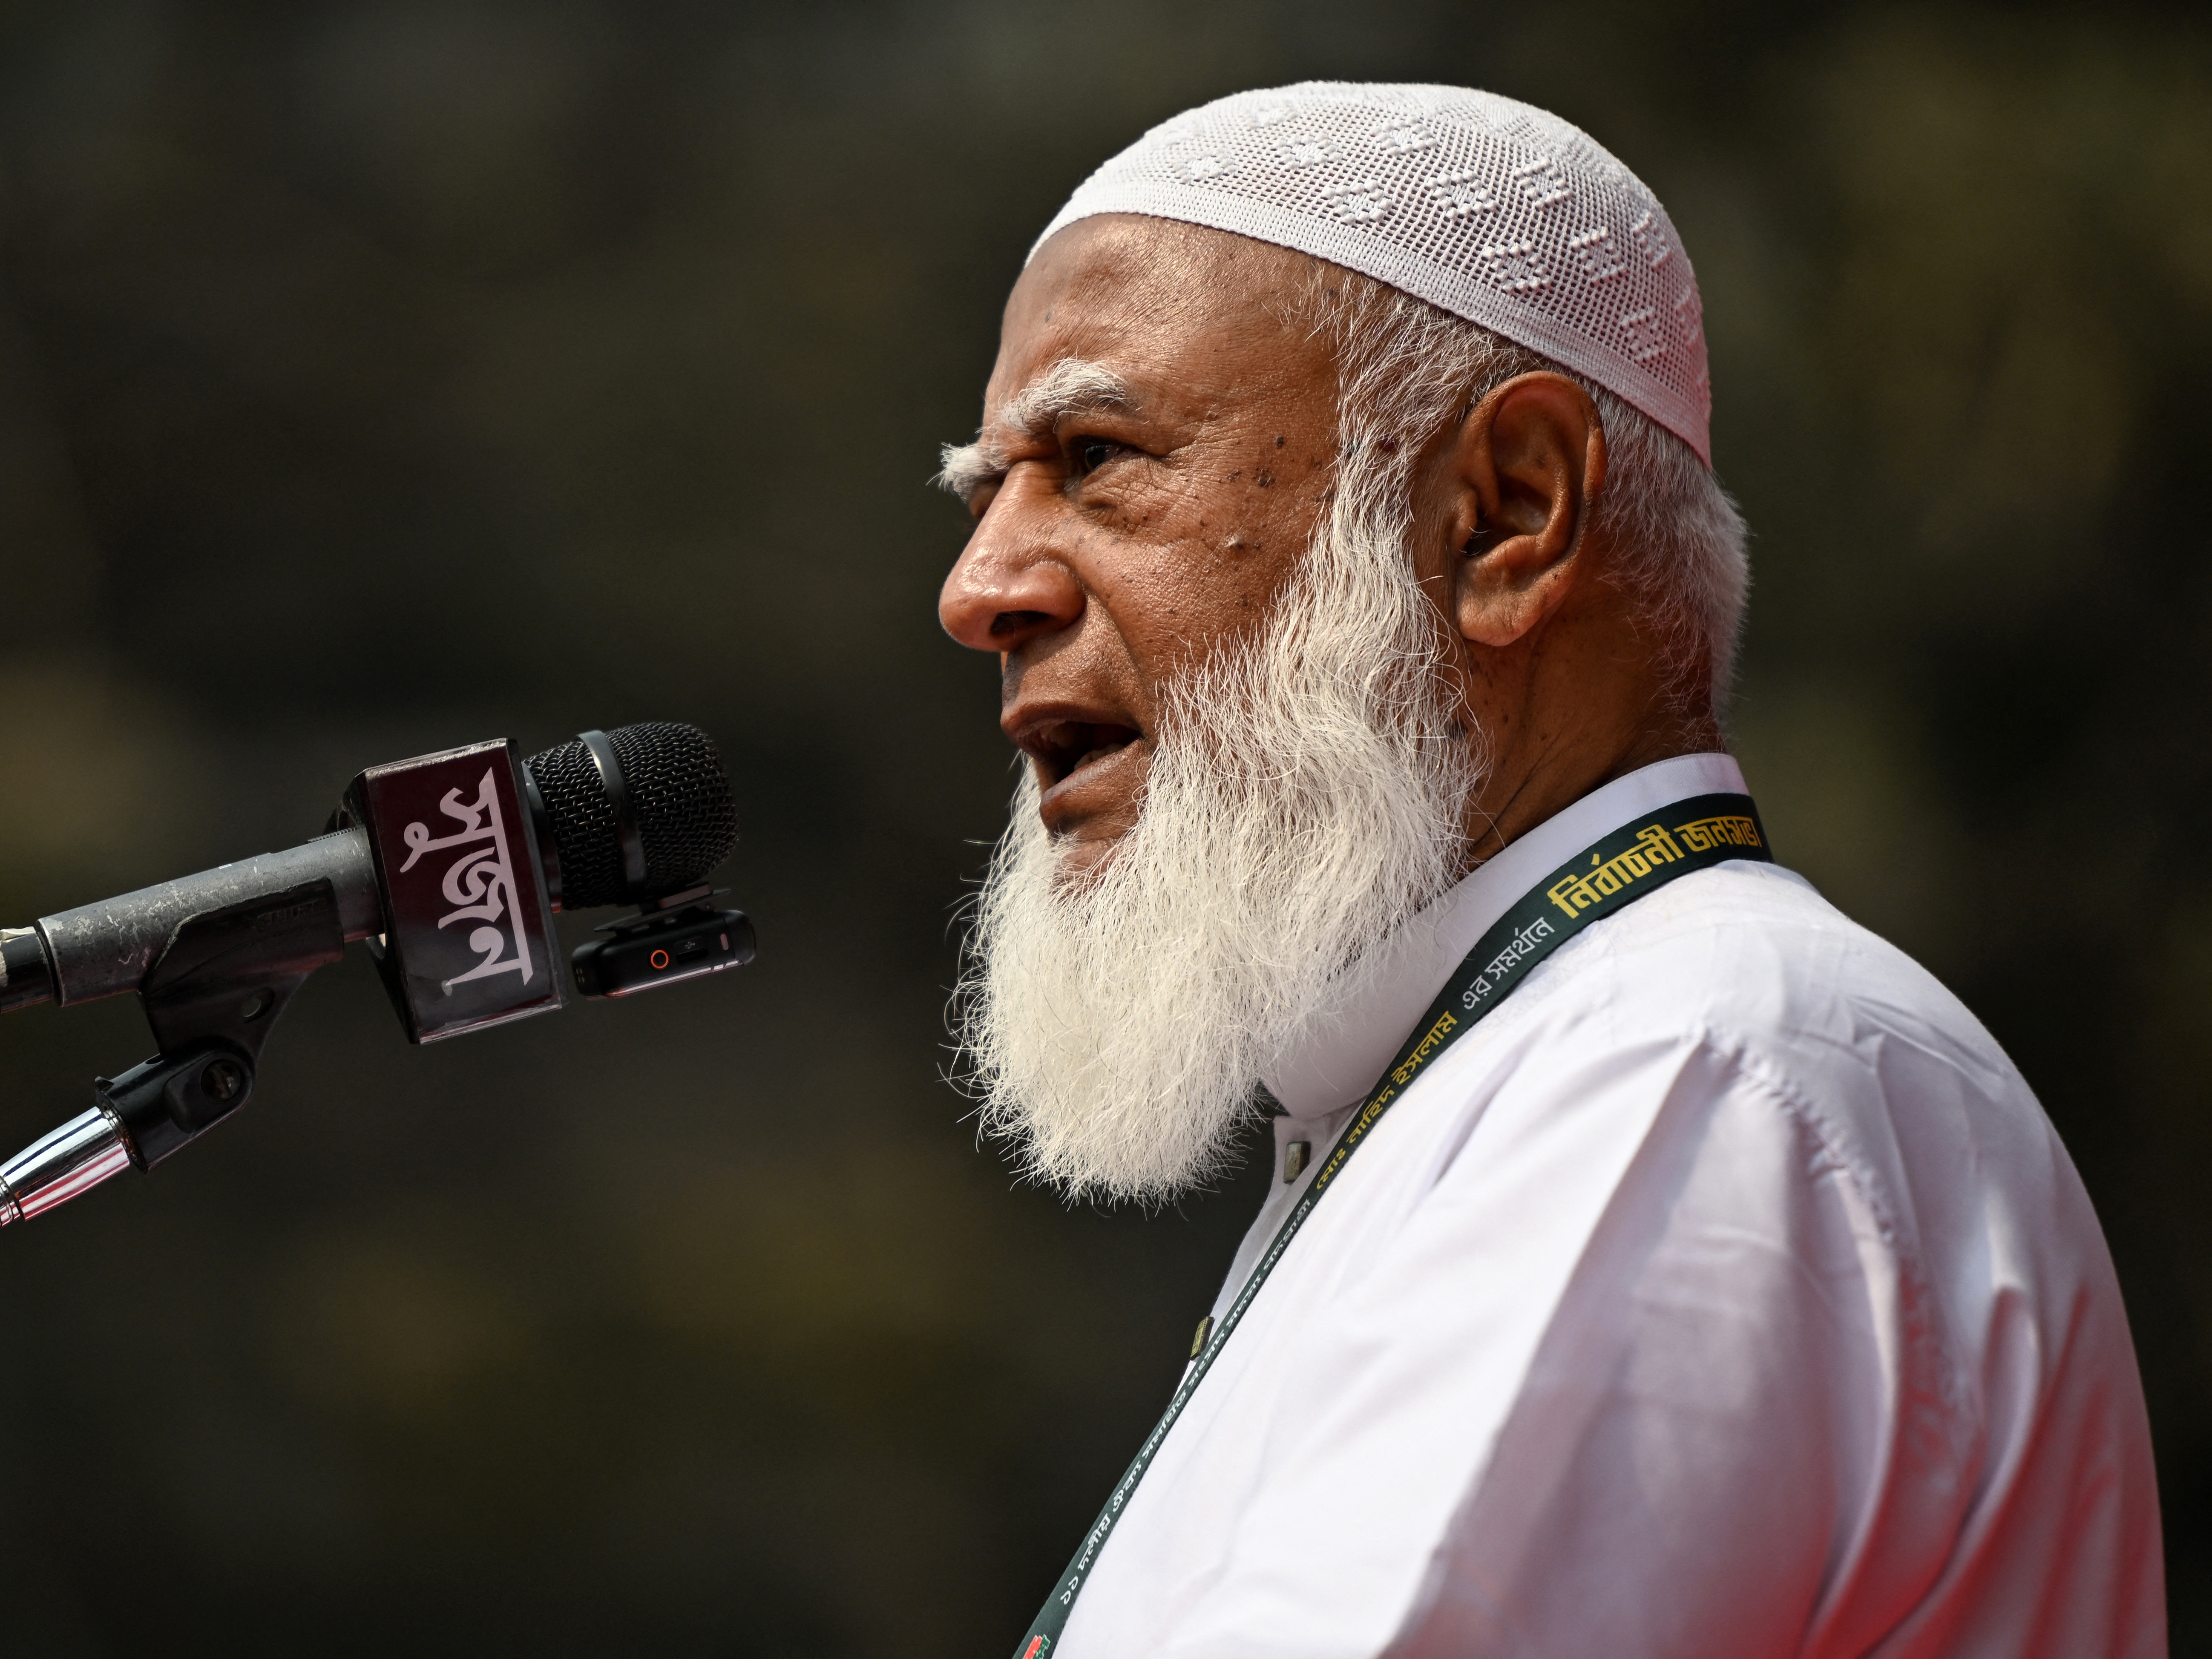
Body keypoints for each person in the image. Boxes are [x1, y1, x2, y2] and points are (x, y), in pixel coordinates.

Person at [934, 83, 2163, 1659]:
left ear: (1507, 514)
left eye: (1095, 458)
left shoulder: (1678, 1064)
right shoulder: (1524, 1066)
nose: (981, 589)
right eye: (985, 494)